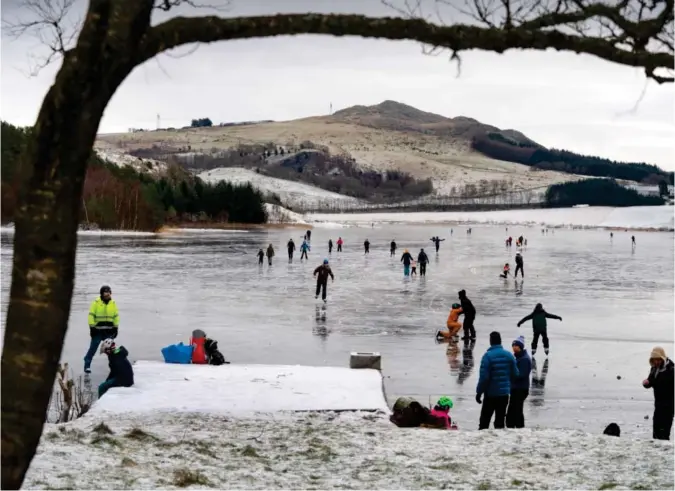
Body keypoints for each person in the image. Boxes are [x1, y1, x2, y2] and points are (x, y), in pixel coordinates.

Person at [476, 331, 519, 430]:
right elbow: (516, 374)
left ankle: (483, 443)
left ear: (491, 341)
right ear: (500, 341)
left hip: (490, 394)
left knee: (484, 422)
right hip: (504, 394)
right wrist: (508, 384)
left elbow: (484, 377)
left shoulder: (487, 356)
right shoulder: (509, 355)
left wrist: (479, 392)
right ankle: (499, 443)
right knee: (500, 421)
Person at [84, 285, 120, 374]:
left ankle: (115, 366)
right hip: (97, 330)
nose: (107, 294)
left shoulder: (113, 303)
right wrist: (92, 327)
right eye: (105, 292)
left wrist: (116, 327)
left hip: (109, 331)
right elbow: (91, 315)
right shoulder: (96, 303)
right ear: (102, 293)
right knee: (93, 348)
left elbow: (116, 316)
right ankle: (87, 365)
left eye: (108, 292)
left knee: (111, 350)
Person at [642, 346, 674, 440]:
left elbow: (663, 383)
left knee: (664, 433)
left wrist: (653, 382)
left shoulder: (671, 369)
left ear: (662, 358)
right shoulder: (654, 368)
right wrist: (646, 383)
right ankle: (656, 452)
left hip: (669, 405)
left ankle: (665, 452)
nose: (656, 362)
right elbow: (651, 380)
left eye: (658, 360)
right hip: (658, 404)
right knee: (656, 432)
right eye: (654, 360)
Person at [506, 336, 532, 428]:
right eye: (513, 345)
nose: (514, 347)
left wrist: (510, 374)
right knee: (515, 409)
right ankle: (515, 427)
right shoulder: (518, 357)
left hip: (520, 388)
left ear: (520, 346)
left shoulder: (524, 359)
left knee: (516, 410)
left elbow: (522, 374)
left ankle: (517, 427)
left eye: (516, 345)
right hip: (516, 388)